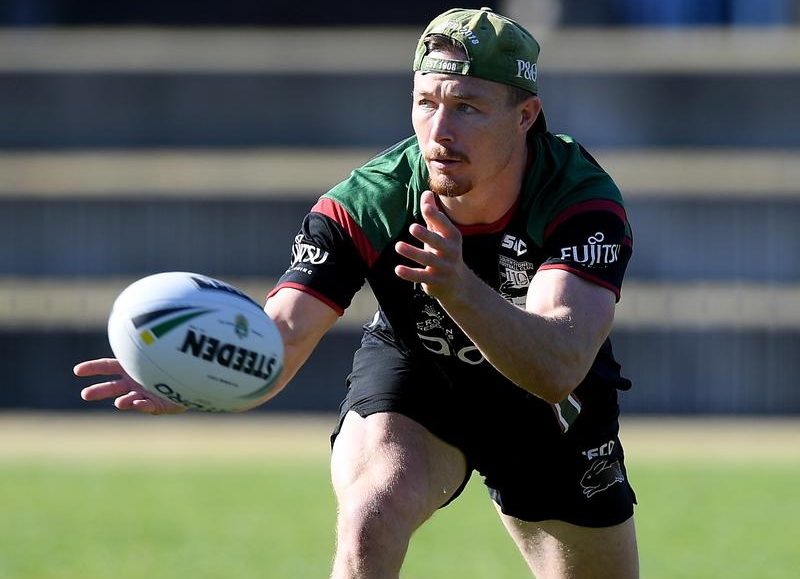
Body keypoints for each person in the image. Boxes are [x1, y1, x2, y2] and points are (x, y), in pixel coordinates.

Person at [75, 7, 639, 578]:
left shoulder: (578, 199)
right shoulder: (371, 201)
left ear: (525, 116)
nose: (440, 131)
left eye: (467, 107)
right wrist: (200, 370)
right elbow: (283, 333)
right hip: (420, 371)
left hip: (543, 402)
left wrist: (458, 287)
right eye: (426, 103)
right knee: (372, 513)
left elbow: (557, 364)